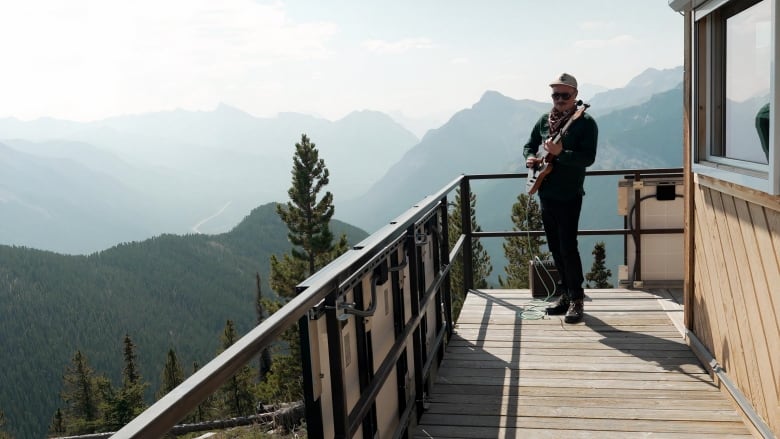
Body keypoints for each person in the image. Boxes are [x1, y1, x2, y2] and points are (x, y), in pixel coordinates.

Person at [523, 73, 598, 323]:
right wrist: (531, 158)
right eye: (556, 95)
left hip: (569, 194)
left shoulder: (585, 123)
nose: (560, 99)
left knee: (568, 247)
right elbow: (530, 145)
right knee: (555, 247)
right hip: (546, 192)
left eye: (565, 95)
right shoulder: (543, 121)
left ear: (575, 95)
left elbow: (588, 158)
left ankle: (576, 298)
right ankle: (565, 294)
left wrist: (562, 153)